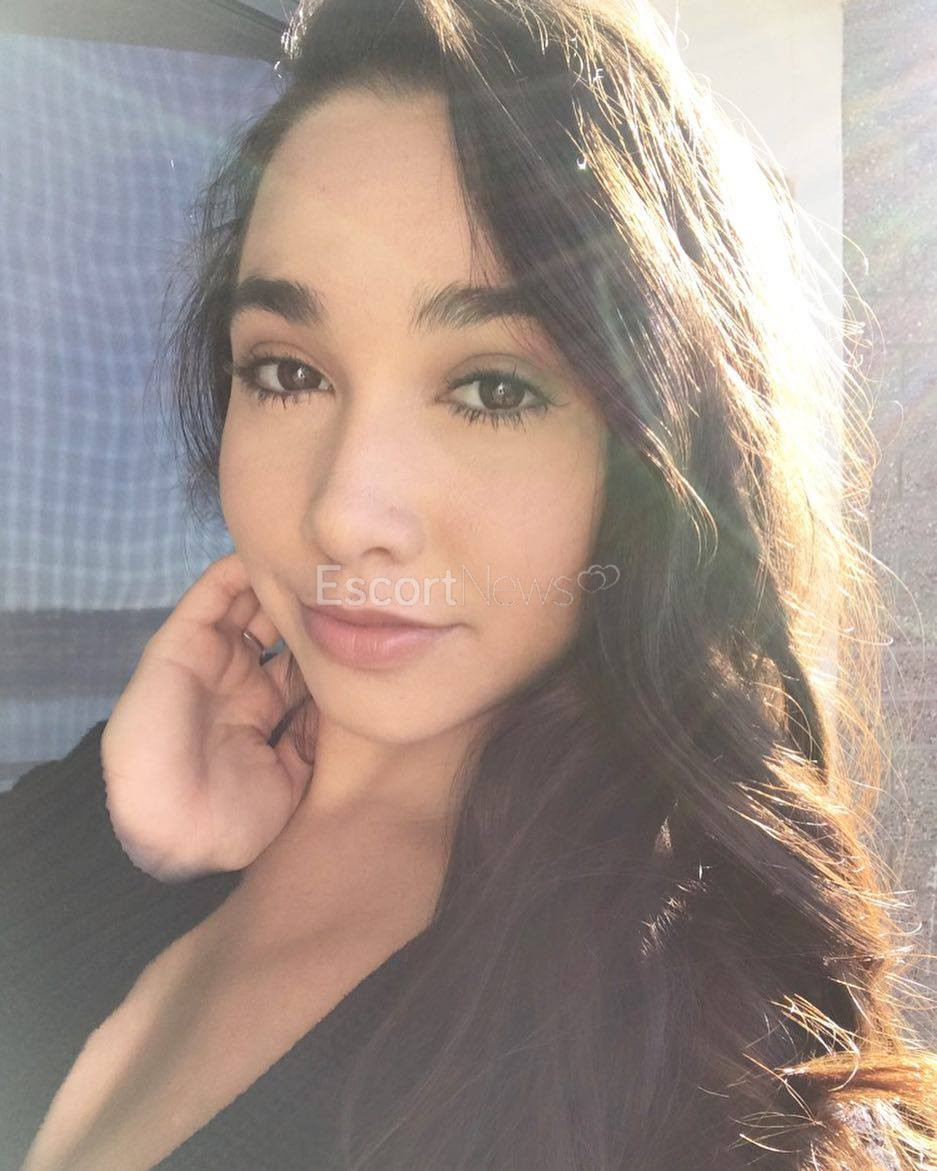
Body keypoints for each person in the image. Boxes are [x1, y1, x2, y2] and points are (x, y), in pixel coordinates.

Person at [3, 0, 936, 1167]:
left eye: (494, 389)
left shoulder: (691, 1051)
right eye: (286, 371)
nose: (345, 510)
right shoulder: (148, 796)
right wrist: (114, 843)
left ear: (661, 451)